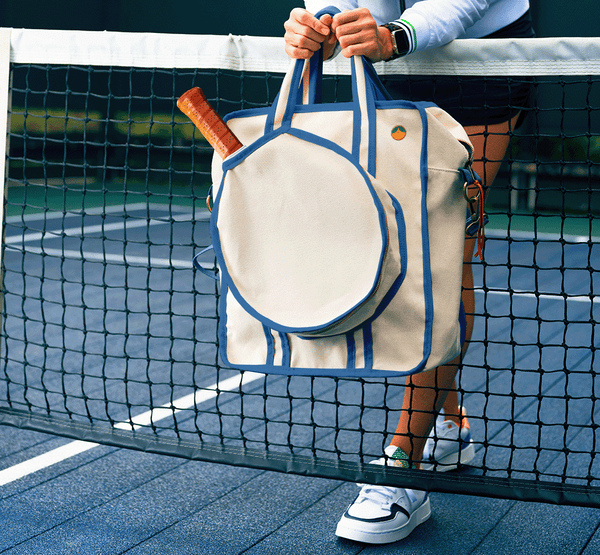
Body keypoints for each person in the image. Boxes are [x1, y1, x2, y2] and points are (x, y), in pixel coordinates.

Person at [284, 0, 535, 545]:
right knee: (406, 240)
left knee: (442, 248)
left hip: (480, 60)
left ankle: (405, 464)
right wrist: (323, 25)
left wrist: (395, 34)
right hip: (395, 61)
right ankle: (450, 423)